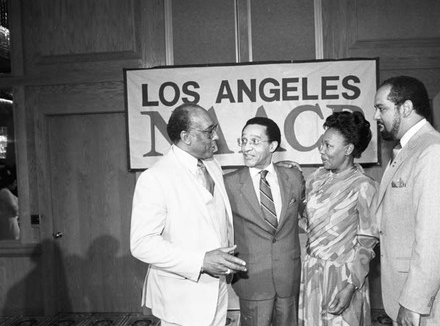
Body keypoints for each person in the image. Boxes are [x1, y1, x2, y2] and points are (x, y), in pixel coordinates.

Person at [130, 103, 247, 326]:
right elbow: (142, 244)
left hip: (218, 290)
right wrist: (201, 261)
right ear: (186, 136)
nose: (216, 137)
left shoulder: (212, 166)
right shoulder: (155, 178)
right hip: (181, 298)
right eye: (209, 131)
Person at [374, 76, 440, 326]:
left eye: (382, 108)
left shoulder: (433, 152)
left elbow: (435, 239)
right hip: (414, 297)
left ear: (405, 108)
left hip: (430, 304)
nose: (376, 116)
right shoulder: (410, 150)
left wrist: (413, 303)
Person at [298, 111, 379, 326]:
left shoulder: (364, 186)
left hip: (344, 276)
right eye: (321, 144)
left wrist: (351, 286)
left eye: (328, 146)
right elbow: (306, 222)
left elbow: (366, 245)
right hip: (312, 272)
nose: (321, 151)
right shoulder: (316, 179)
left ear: (348, 149)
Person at [224, 117, 305, 326]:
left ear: (273, 146)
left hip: (288, 277)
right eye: (243, 141)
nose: (246, 148)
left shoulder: (294, 177)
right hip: (251, 280)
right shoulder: (229, 184)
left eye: (254, 141)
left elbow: (307, 216)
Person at [0, 166, 20, 240]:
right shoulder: (5, 192)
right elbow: (14, 208)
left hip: (11, 222)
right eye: (15, 182)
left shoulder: (6, 192)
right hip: (9, 224)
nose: (16, 184)